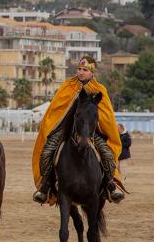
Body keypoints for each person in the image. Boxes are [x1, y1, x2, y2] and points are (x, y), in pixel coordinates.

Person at [32, 56, 125, 204]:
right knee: (47, 152)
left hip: (92, 133)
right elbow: (55, 111)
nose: (81, 72)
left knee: (107, 154)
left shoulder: (99, 90)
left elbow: (106, 117)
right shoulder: (67, 86)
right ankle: (45, 186)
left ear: (92, 73)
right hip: (65, 130)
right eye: (79, 69)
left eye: (85, 70)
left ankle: (110, 186)